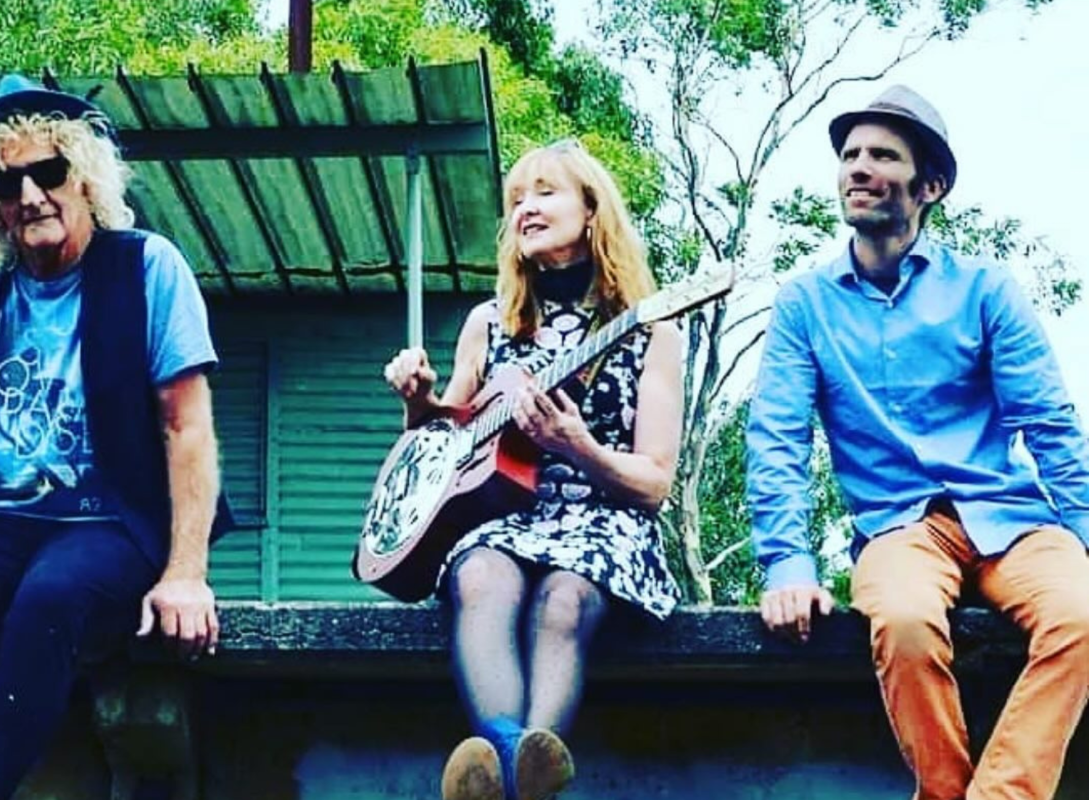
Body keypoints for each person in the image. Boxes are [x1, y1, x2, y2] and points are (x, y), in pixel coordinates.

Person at [0, 74, 231, 800]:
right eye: (5, 185)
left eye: (48, 172)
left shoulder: (147, 266)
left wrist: (186, 572)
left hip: (112, 520)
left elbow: (187, 424)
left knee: (50, 598)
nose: (31, 196)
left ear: (85, 176)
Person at [746, 84, 1089, 800]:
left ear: (929, 185)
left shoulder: (988, 289)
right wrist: (787, 563)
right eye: (850, 155)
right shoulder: (805, 305)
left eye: (882, 155)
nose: (859, 168)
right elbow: (777, 439)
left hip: (1012, 518)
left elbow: (1050, 423)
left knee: (1084, 613)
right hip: (898, 527)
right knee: (901, 621)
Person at [384, 140, 684, 800]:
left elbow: (655, 482)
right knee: (479, 574)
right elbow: (443, 445)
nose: (526, 208)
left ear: (591, 210)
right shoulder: (487, 325)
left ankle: (509, 778)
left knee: (564, 599)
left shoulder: (651, 332)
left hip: (606, 521)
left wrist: (577, 445)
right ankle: (519, 765)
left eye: (545, 192)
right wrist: (418, 402)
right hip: (506, 517)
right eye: (516, 199)